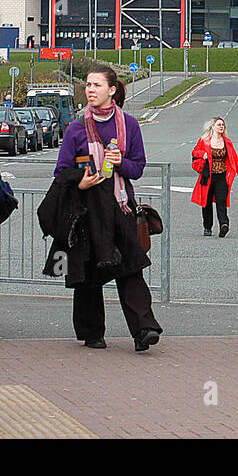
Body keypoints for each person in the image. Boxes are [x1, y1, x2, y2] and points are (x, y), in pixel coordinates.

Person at [45, 64, 161, 352]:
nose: (90, 90)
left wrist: (121, 163)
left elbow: (138, 168)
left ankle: (144, 329)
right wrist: (80, 183)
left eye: (97, 85)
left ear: (112, 90)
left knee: (130, 267)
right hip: (86, 211)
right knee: (88, 272)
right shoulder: (75, 128)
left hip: (120, 208)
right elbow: (61, 172)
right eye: (88, 85)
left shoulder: (129, 125)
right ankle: (91, 332)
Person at [191, 116, 238, 237]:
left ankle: (224, 225)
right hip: (208, 176)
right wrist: (203, 154)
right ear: (213, 127)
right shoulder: (204, 140)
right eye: (219, 125)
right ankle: (207, 227)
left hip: (222, 176)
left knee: (221, 201)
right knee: (206, 203)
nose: (221, 126)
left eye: (223, 125)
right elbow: (194, 152)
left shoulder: (227, 142)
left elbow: (234, 159)